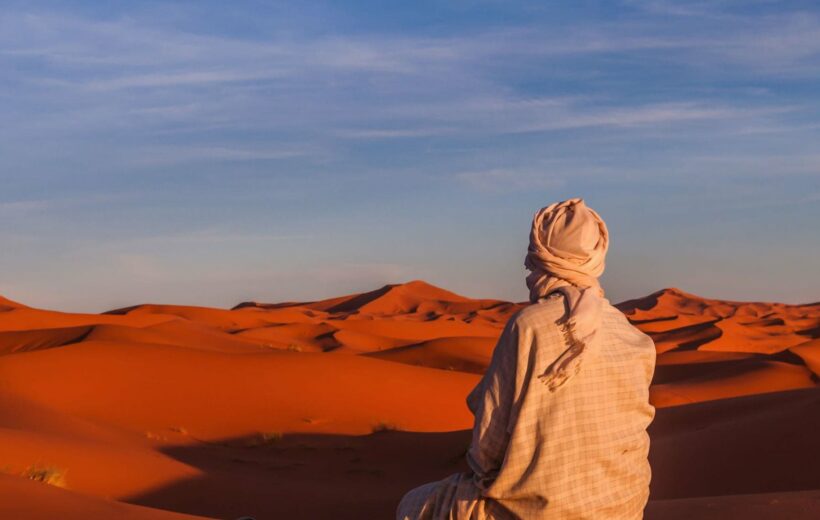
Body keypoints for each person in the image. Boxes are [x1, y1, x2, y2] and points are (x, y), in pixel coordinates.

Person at [396, 198, 656, 519]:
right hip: (624, 505)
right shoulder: (631, 334)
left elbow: (487, 448)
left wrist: (492, 478)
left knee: (415, 505)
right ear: (596, 255)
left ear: (541, 254)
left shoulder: (529, 326)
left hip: (537, 510)